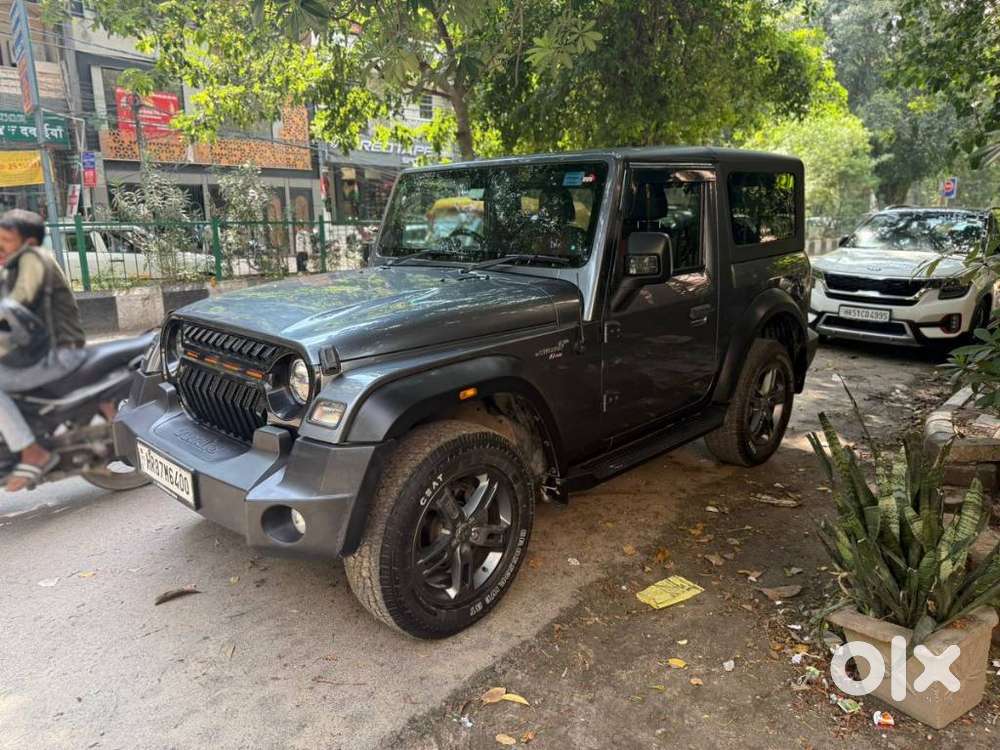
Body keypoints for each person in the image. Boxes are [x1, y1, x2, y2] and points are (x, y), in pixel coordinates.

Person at [0, 209, 87, 492]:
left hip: (60, 352)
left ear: (29, 242)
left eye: (6, 239)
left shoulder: (34, 259)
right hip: (34, 351)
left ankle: (31, 451)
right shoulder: (13, 265)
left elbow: (15, 303)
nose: (0, 245)